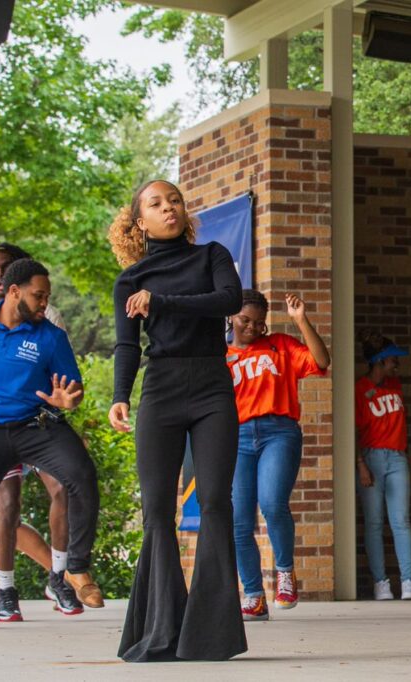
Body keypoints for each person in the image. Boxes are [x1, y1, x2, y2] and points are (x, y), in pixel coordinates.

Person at [107, 179, 246, 662]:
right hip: (161, 390)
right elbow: (127, 345)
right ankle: (161, 632)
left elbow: (230, 301)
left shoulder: (212, 255)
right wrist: (120, 395)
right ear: (139, 222)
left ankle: (211, 636)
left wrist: (162, 302)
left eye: (175, 201)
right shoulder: (129, 280)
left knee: (213, 503)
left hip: (211, 386)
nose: (169, 207)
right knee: (157, 513)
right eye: (156, 203)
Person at [0, 258, 100, 631]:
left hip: (38, 425)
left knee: (81, 474)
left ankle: (75, 568)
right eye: (38, 295)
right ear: (14, 292)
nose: (44, 303)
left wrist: (69, 401)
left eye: (47, 296)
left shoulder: (50, 337)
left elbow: (71, 390)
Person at [226, 289, 330, 621]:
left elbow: (321, 361)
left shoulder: (281, 345)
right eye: (245, 320)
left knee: (272, 503)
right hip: (237, 436)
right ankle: (254, 596)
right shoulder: (219, 355)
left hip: (279, 432)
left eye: (259, 323)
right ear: (230, 316)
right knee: (239, 520)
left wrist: (301, 320)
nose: (253, 328)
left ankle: (285, 573)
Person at [355, 331, 411, 602]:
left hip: (397, 458)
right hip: (371, 458)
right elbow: (354, 431)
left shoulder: (395, 386)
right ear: (379, 361)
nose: (396, 364)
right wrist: (361, 465)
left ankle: (408, 582)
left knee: (401, 520)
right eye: (392, 359)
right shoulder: (359, 389)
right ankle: (381, 583)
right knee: (374, 523)